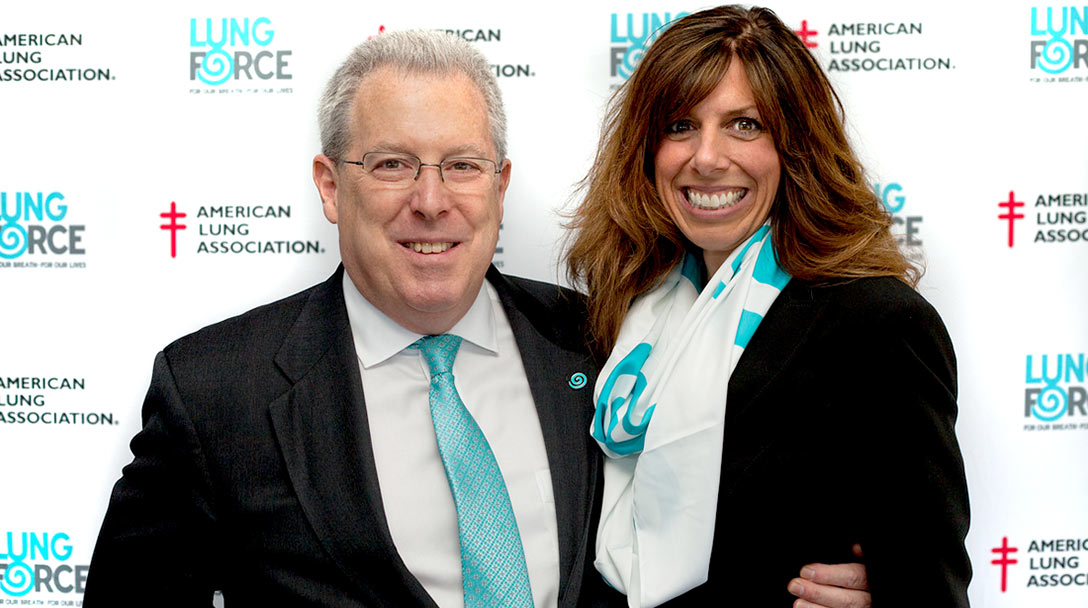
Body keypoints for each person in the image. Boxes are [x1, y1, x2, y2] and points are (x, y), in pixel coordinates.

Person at [85, 29, 874, 608]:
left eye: (462, 166)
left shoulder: (606, 343)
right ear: (329, 186)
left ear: (499, 186)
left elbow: (692, 529)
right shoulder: (216, 391)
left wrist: (850, 588)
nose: (431, 201)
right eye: (392, 164)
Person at [565, 6, 971, 608]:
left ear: (795, 146)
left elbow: (928, 587)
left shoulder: (877, 324)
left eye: (745, 125)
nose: (706, 157)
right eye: (680, 125)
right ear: (647, 150)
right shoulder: (623, 316)